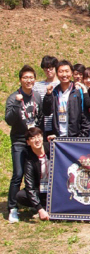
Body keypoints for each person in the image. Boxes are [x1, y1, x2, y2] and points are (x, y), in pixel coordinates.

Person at [5, 65, 44, 224]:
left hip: (34, 141)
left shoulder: (37, 96)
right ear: (20, 79)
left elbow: (39, 116)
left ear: (34, 79)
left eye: (31, 77)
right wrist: (16, 104)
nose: (29, 80)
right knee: (18, 174)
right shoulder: (13, 97)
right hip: (20, 140)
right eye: (25, 78)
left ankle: (36, 205)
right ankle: (12, 208)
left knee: (36, 173)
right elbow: (9, 120)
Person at [43, 60, 90, 140]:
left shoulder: (78, 91)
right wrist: (48, 95)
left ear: (71, 73)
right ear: (57, 74)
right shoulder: (54, 92)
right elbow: (46, 112)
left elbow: (85, 115)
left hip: (75, 137)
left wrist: (82, 136)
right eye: (61, 72)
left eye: (67, 71)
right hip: (58, 136)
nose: (64, 74)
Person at [13, 127, 50, 222]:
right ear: (28, 142)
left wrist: (57, 139)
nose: (37, 140)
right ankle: (42, 207)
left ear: (42, 137)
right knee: (21, 195)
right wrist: (40, 209)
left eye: (39, 136)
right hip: (40, 189)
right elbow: (30, 186)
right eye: (33, 138)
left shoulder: (52, 149)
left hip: (55, 188)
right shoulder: (29, 160)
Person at [33, 55, 59, 137]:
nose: (48, 71)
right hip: (42, 124)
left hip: (57, 124)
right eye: (45, 69)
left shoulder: (61, 84)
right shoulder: (37, 85)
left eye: (51, 68)